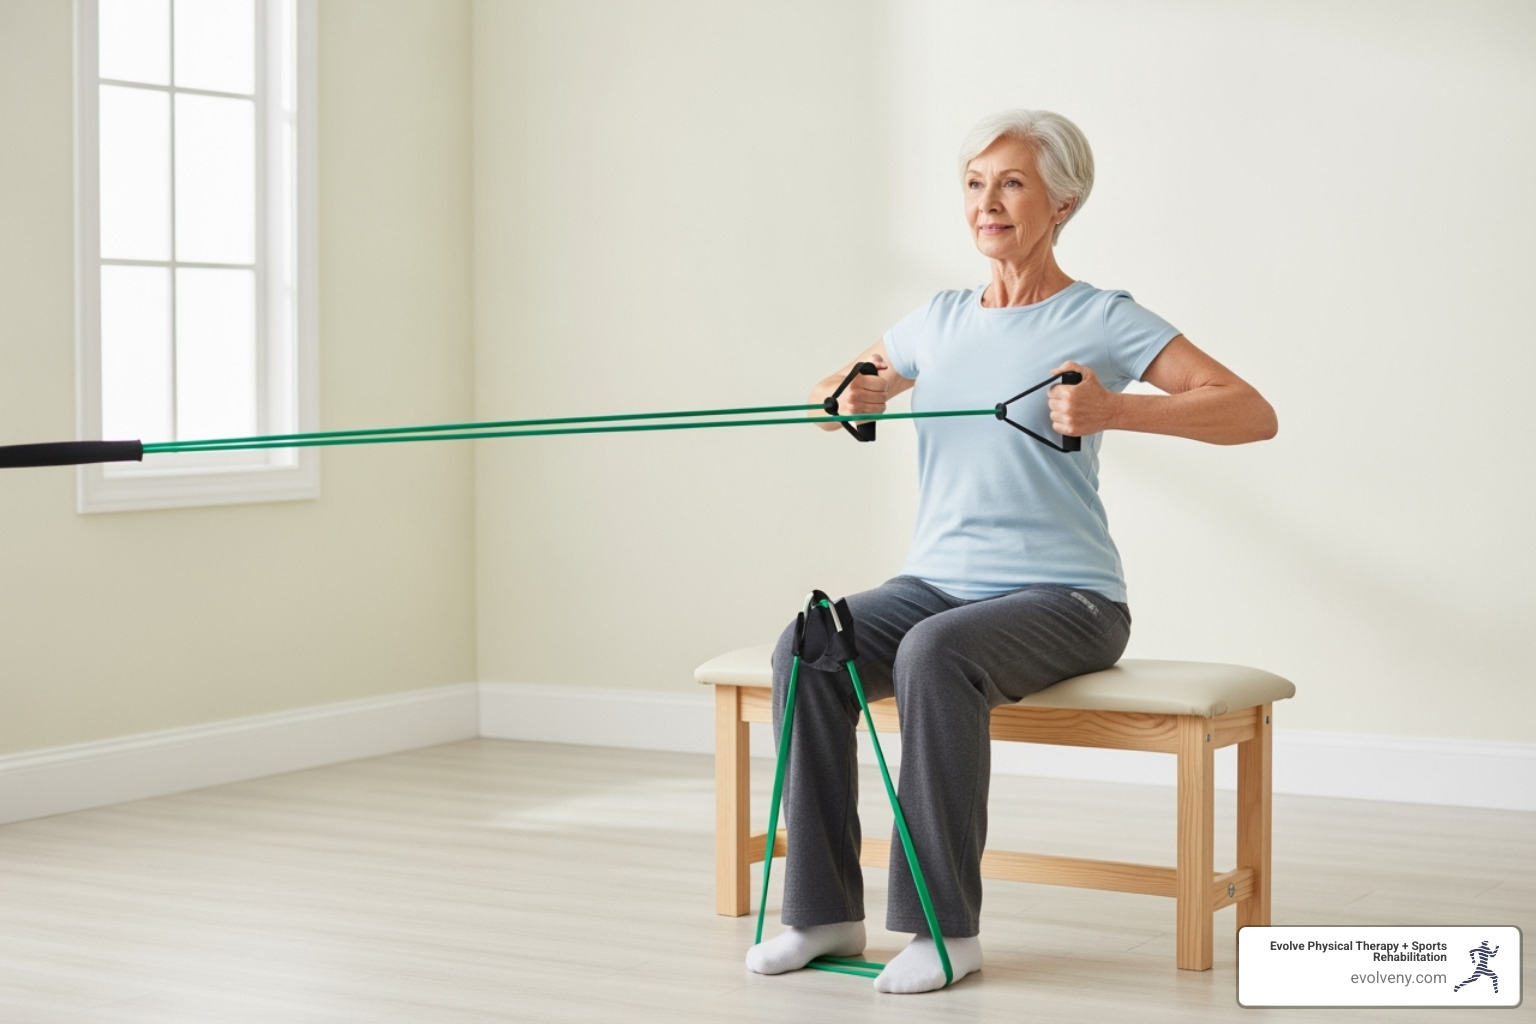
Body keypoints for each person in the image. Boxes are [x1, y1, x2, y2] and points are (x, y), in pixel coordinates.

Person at [745, 109, 1277, 994]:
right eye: (974, 184)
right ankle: (822, 911)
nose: (987, 202)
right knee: (808, 647)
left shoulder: (1101, 316)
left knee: (934, 653)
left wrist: (1116, 409)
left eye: (1013, 183)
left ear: (1062, 202)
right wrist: (849, 398)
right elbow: (829, 395)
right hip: (935, 584)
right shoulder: (938, 320)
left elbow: (1251, 412)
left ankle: (943, 931)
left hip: (1068, 599)